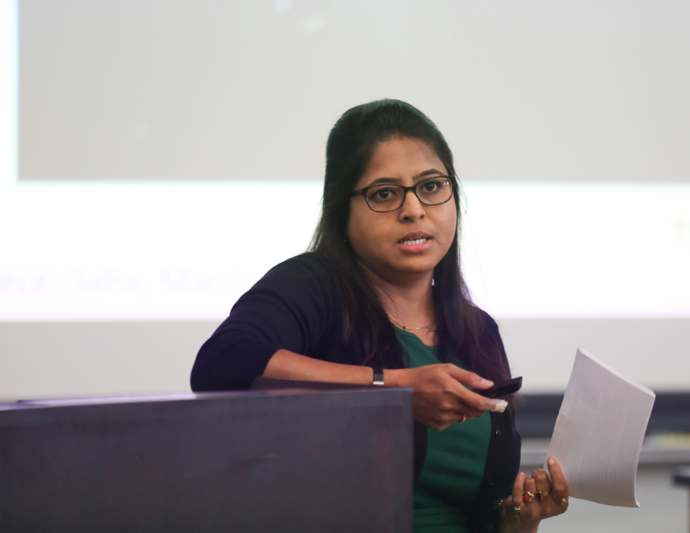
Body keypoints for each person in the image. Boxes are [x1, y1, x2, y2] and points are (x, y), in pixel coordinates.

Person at [191, 99, 569, 532]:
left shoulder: (477, 329)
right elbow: (222, 364)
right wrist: (396, 389)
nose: (413, 209)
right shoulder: (313, 286)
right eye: (384, 193)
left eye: (431, 186)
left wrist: (522, 519)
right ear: (342, 209)